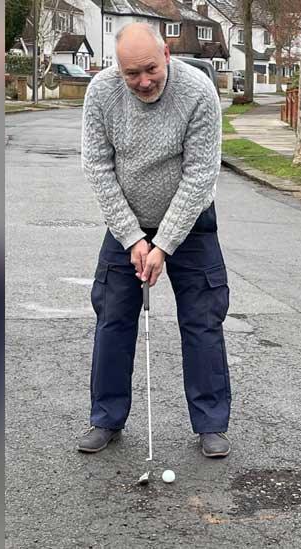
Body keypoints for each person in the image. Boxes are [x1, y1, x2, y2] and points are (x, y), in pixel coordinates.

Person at [77, 23, 231, 458]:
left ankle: (211, 423)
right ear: (117, 67)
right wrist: (132, 239)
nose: (143, 81)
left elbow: (201, 175)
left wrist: (163, 245)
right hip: (127, 222)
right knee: (112, 315)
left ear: (167, 53)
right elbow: (98, 169)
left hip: (190, 222)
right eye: (131, 73)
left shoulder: (198, 91)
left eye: (150, 69)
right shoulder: (102, 93)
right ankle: (105, 418)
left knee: (203, 319)